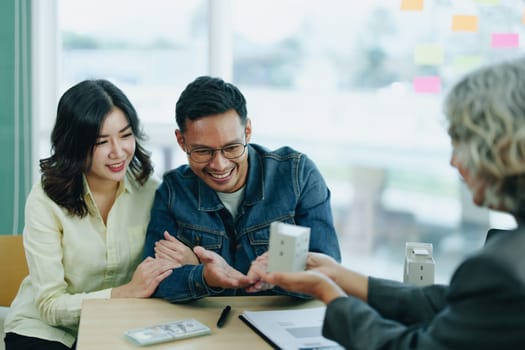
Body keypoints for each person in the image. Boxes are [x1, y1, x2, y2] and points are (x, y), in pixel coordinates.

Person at [262, 57, 525, 349]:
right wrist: (341, 277)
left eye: (460, 143)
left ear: (500, 146)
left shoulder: (501, 270)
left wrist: (330, 293)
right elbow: (448, 304)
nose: (453, 161)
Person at [3, 79, 175, 350]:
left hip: (119, 325)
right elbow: (50, 305)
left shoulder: (151, 193)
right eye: (101, 142)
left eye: (126, 135)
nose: (118, 152)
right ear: (74, 144)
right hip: (45, 330)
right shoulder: (45, 199)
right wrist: (124, 293)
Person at [144, 76, 341, 302]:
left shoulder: (296, 176)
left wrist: (196, 266)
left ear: (247, 131)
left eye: (231, 147)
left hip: (281, 321)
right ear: (181, 141)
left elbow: (328, 274)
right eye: (202, 151)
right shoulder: (173, 191)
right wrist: (205, 276)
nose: (220, 164)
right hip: (210, 325)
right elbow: (155, 281)